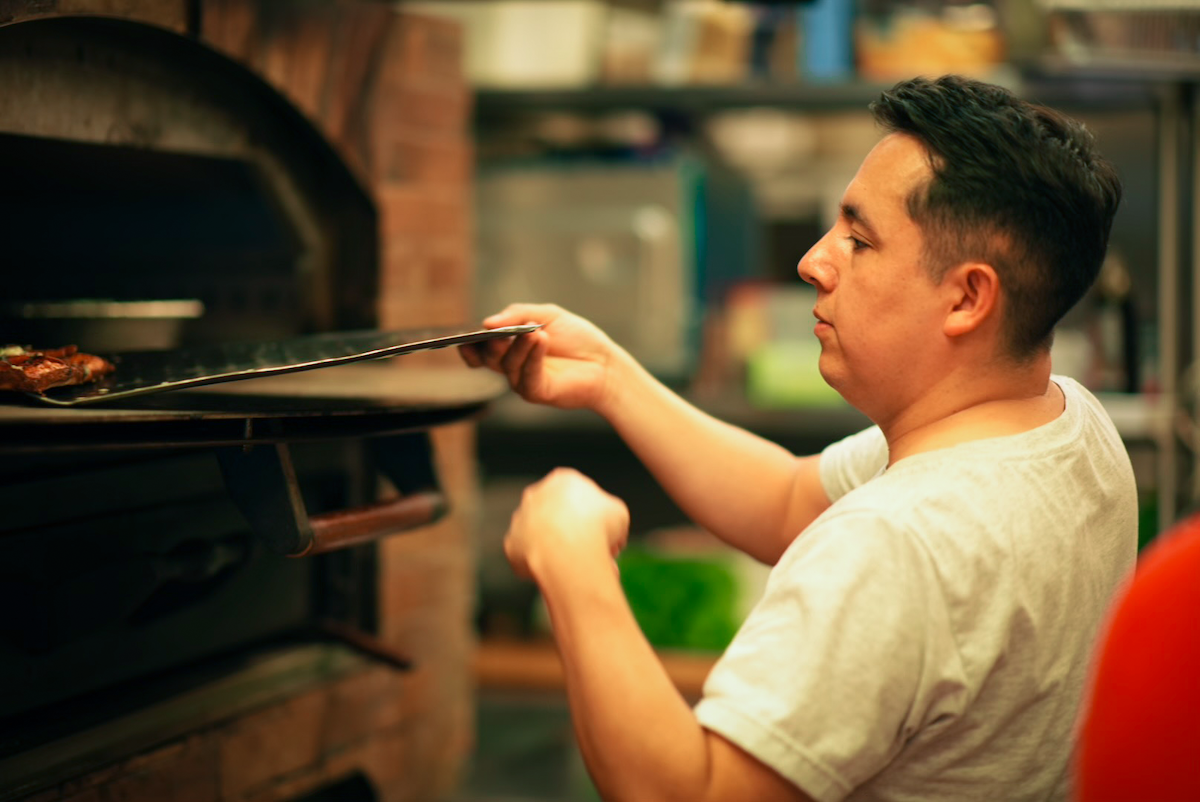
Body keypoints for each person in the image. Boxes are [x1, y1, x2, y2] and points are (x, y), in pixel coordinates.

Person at [460, 74, 1136, 802]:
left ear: (968, 297)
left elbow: (688, 792)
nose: (814, 260)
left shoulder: (900, 540)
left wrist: (573, 564)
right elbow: (787, 500)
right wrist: (610, 377)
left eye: (859, 238)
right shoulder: (1067, 422)